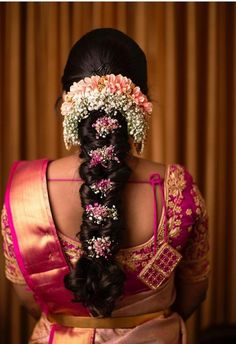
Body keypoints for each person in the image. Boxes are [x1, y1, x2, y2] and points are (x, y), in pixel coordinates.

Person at [1, 28, 210, 344]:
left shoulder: (23, 196)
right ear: (141, 104)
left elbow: (29, 299)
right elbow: (193, 293)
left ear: (66, 103)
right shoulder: (178, 192)